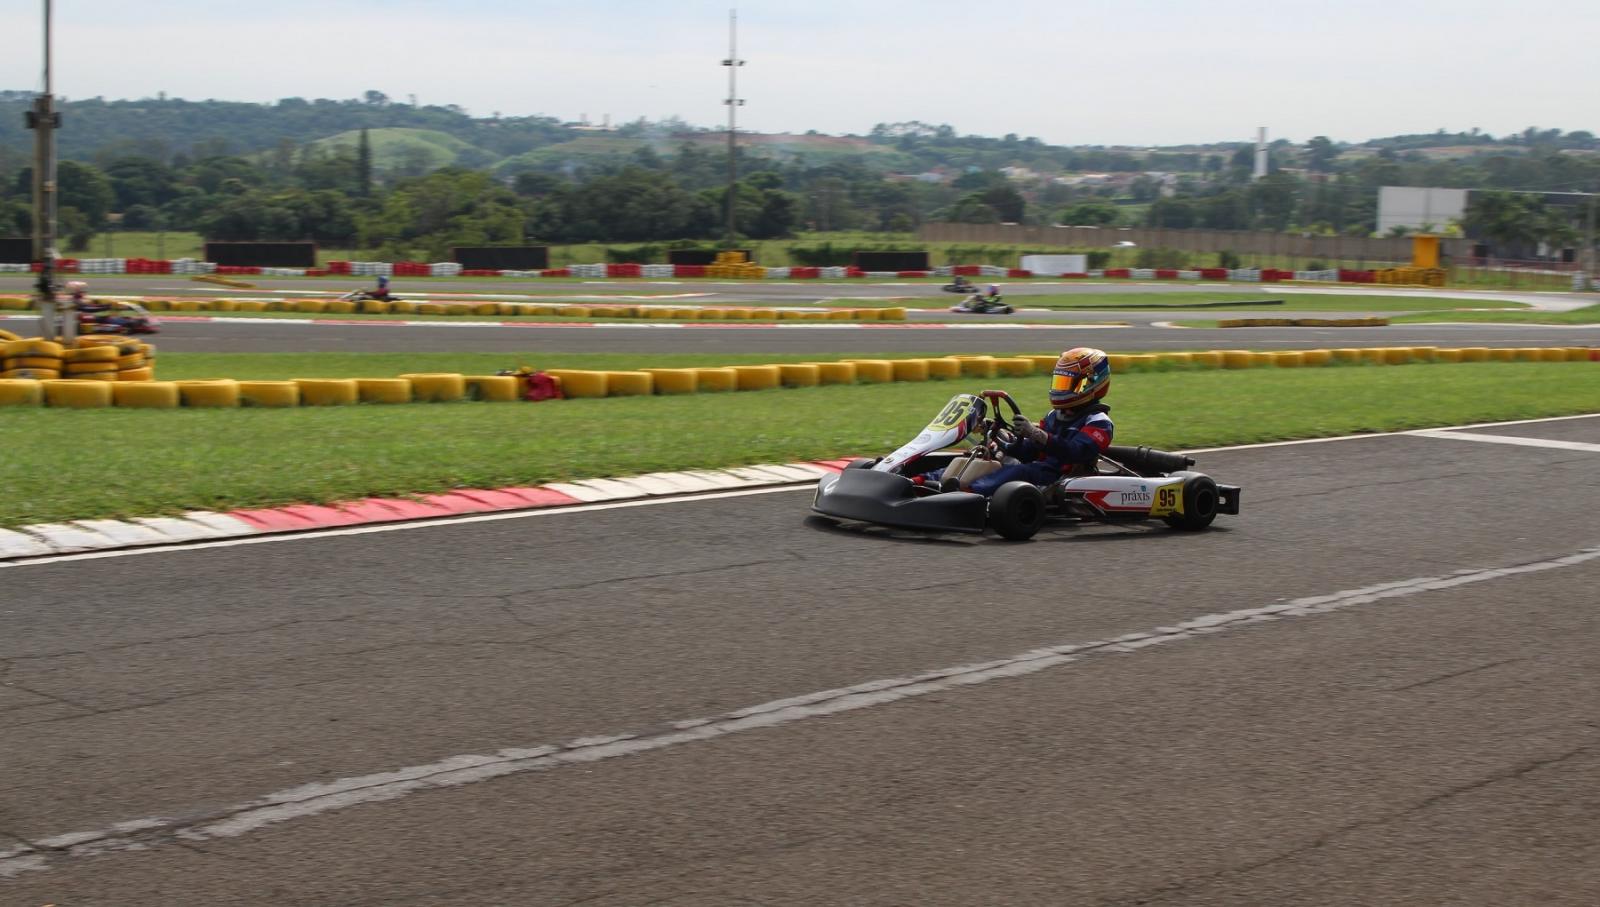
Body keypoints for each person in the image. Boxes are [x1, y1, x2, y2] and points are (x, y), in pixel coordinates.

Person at [921, 347, 1114, 495]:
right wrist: (1002, 437)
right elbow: (1029, 452)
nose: (1061, 389)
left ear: (1092, 384)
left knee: (1019, 472)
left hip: (1060, 478)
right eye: (1059, 383)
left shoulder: (1098, 422)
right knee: (985, 459)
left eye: (1068, 384)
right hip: (1038, 469)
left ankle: (968, 494)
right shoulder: (1054, 416)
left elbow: (1075, 452)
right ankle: (923, 482)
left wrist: (1038, 435)